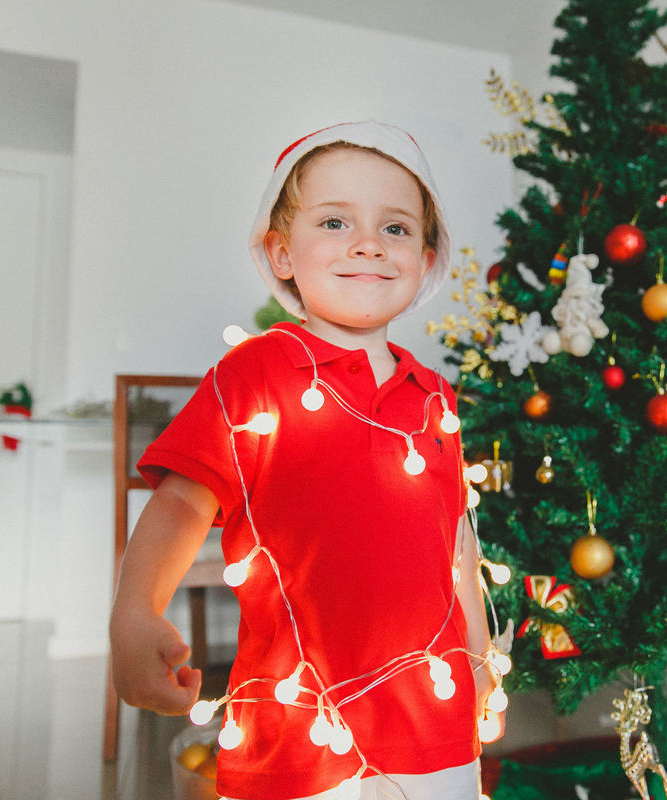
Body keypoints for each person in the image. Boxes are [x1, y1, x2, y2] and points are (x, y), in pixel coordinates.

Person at [109, 121, 502, 800]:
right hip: (296, 723)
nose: (368, 243)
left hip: (430, 720)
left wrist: (480, 663)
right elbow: (179, 499)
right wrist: (135, 611)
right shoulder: (254, 375)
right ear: (282, 253)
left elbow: (456, 544)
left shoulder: (437, 399)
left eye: (397, 228)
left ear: (427, 257)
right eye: (334, 220)